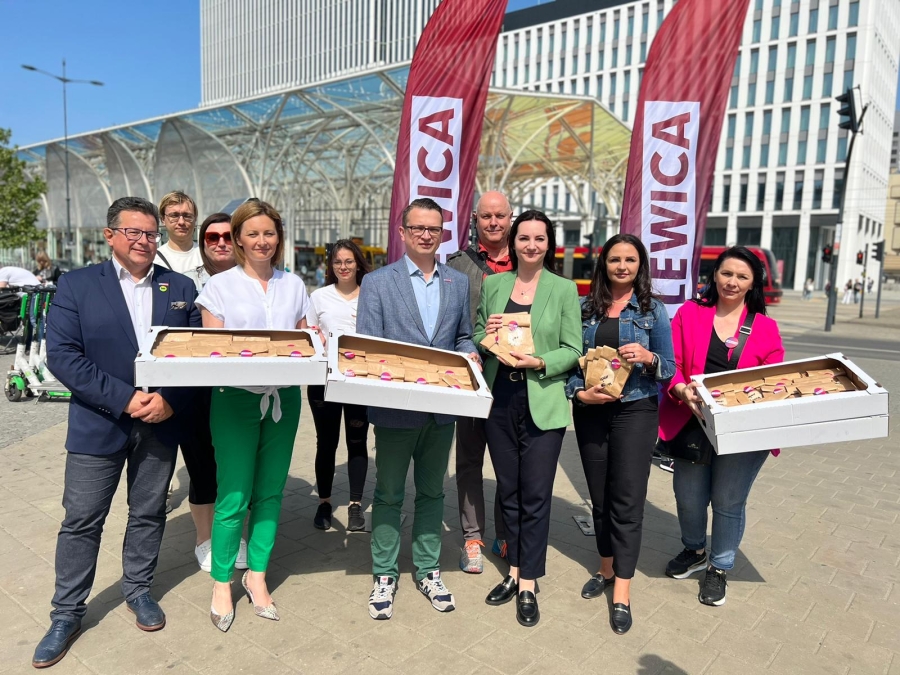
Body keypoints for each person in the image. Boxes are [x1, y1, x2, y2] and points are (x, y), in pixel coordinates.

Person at [31, 197, 201, 668]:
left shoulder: (179, 286)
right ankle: (67, 613)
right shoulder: (78, 285)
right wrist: (125, 398)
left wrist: (169, 399)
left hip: (161, 422)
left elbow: (196, 354)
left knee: (148, 512)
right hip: (99, 423)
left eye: (151, 233)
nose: (145, 241)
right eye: (134, 232)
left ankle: (138, 589)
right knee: (82, 520)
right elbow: (63, 356)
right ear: (110, 235)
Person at [356, 197, 477, 621]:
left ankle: (427, 570)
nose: (426, 235)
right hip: (395, 410)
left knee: (432, 492)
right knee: (388, 494)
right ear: (403, 232)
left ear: (443, 234)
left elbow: (462, 335)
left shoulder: (456, 283)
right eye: (418, 228)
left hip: (441, 410)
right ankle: (384, 574)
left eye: (434, 229)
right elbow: (368, 346)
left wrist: (470, 353)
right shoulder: (378, 282)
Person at [196, 199, 309, 632]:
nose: (262, 241)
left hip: (284, 398)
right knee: (233, 495)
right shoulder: (219, 286)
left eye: (269, 233)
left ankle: (256, 575)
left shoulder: (294, 285)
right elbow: (214, 351)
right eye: (253, 233)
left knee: (270, 492)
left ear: (278, 237)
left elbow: (303, 341)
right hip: (235, 399)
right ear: (238, 239)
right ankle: (222, 580)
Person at [659, 246, 784, 608]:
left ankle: (720, 567)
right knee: (688, 496)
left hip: (744, 429)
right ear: (714, 276)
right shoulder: (689, 313)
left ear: (753, 284)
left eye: (742, 276)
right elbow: (672, 363)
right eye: (726, 273)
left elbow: (776, 378)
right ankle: (695, 550)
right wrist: (679, 388)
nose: (732, 282)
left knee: (728, 501)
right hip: (693, 421)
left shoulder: (766, 327)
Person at [474, 210, 581, 628]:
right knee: (509, 491)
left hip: (542, 399)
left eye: (539, 238)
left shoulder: (564, 289)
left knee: (535, 495)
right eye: (524, 238)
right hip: (500, 400)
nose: (531, 245)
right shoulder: (494, 284)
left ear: (548, 243)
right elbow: (478, 332)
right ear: (513, 243)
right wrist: (488, 336)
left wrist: (540, 361)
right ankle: (514, 569)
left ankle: (529, 583)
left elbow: (573, 349)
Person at [565, 234, 675, 635]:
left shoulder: (653, 310)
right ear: (604, 264)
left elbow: (669, 367)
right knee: (599, 497)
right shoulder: (584, 309)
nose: (622, 266)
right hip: (591, 411)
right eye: (615, 259)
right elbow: (571, 365)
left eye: (630, 260)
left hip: (636, 411)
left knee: (626, 501)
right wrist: (579, 393)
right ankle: (606, 568)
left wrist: (648, 357)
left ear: (640, 265)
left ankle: (623, 590)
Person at [446, 190, 512, 573]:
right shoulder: (458, 265)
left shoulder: (529, 261)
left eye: (500, 216)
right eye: (486, 216)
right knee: (469, 461)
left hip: (516, 380)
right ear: (475, 219)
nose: (493, 222)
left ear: (510, 218)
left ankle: (506, 533)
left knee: (510, 463)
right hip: (471, 377)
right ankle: (473, 537)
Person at [181, 212, 247, 573]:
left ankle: (236, 535)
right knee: (203, 466)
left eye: (226, 236)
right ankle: (205, 539)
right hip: (198, 393)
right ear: (203, 243)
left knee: (239, 467)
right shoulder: (186, 284)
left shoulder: (255, 280)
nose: (220, 243)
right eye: (212, 237)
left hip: (242, 389)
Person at [307, 239, 372, 532]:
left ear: (358, 263)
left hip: (359, 379)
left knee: (357, 441)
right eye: (337, 262)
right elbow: (309, 333)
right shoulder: (319, 297)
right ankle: (324, 502)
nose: (343, 267)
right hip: (324, 380)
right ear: (330, 266)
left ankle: (356, 504)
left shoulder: (370, 295)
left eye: (348, 261)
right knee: (326, 441)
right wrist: (316, 339)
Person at [154, 191, 203, 275]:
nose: (181, 222)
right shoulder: (154, 260)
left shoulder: (207, 257)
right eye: (174, 216)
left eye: (187, 216)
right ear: (162, 219)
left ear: (195, 219)